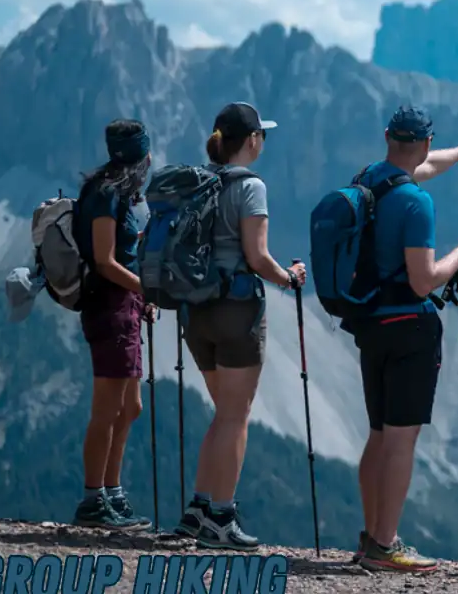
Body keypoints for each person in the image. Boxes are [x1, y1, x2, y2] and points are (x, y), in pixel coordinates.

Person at [348, 105, 458, 573]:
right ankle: (386, 544)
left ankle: (371, 536)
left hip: (369, 323)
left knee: (378, 434)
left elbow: (420, 167)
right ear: (426, 142)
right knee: (401, 439)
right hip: (409, 330)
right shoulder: (416, 203)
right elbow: (422, 280)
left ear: (387, 136)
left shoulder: (367, 180)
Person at [171, 102, 307, 551]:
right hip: (235, 310)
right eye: (261, 135)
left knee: (222, 412)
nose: (263, 140)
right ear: (251, 140)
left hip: (196, 312)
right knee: (236, 415)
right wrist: (290, 278)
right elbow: (257, 256)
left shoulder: (198, 181)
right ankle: (222, 518)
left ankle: (197, 509)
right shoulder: (251, 187)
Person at [72, 118, 157, 530]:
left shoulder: (110, 189)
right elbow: (105, 261)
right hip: (110, 308)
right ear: (138, 157)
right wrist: (146, 289)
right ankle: (94, 500)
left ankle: (113, 492)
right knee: (107, 409)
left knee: (130, 406)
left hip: (125, 305)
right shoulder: (106, 194)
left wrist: (140, 298)